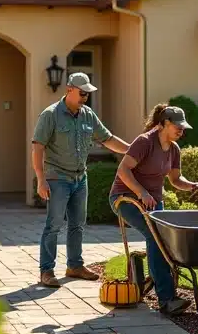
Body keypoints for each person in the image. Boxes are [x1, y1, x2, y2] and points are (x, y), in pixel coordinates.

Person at [32, 72, 130, 287]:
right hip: (57, 177)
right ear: (69, 89)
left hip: (80, 177)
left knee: (77, 225)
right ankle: (46, 271)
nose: (85, 97)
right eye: (82, 93)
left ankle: (75, 265)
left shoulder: (88, 115)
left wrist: (131, 151)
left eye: (87, 94)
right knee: (54, 225)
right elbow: (38, 146)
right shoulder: (50, 115)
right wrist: (41, 179)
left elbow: (108, 139)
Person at [109, 104, 198, 316]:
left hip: (152, 201)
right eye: (177, 126)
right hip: (125, 198)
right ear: (163, 124)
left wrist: (191, 185)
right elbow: (123, 170)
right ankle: (166, 300)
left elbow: (175, 180)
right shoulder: (145, 142)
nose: (181, 131)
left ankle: (146, 278)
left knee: (166, 240)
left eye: (183, 127)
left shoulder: (173, 149)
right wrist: (141, 192)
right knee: (155, 237)